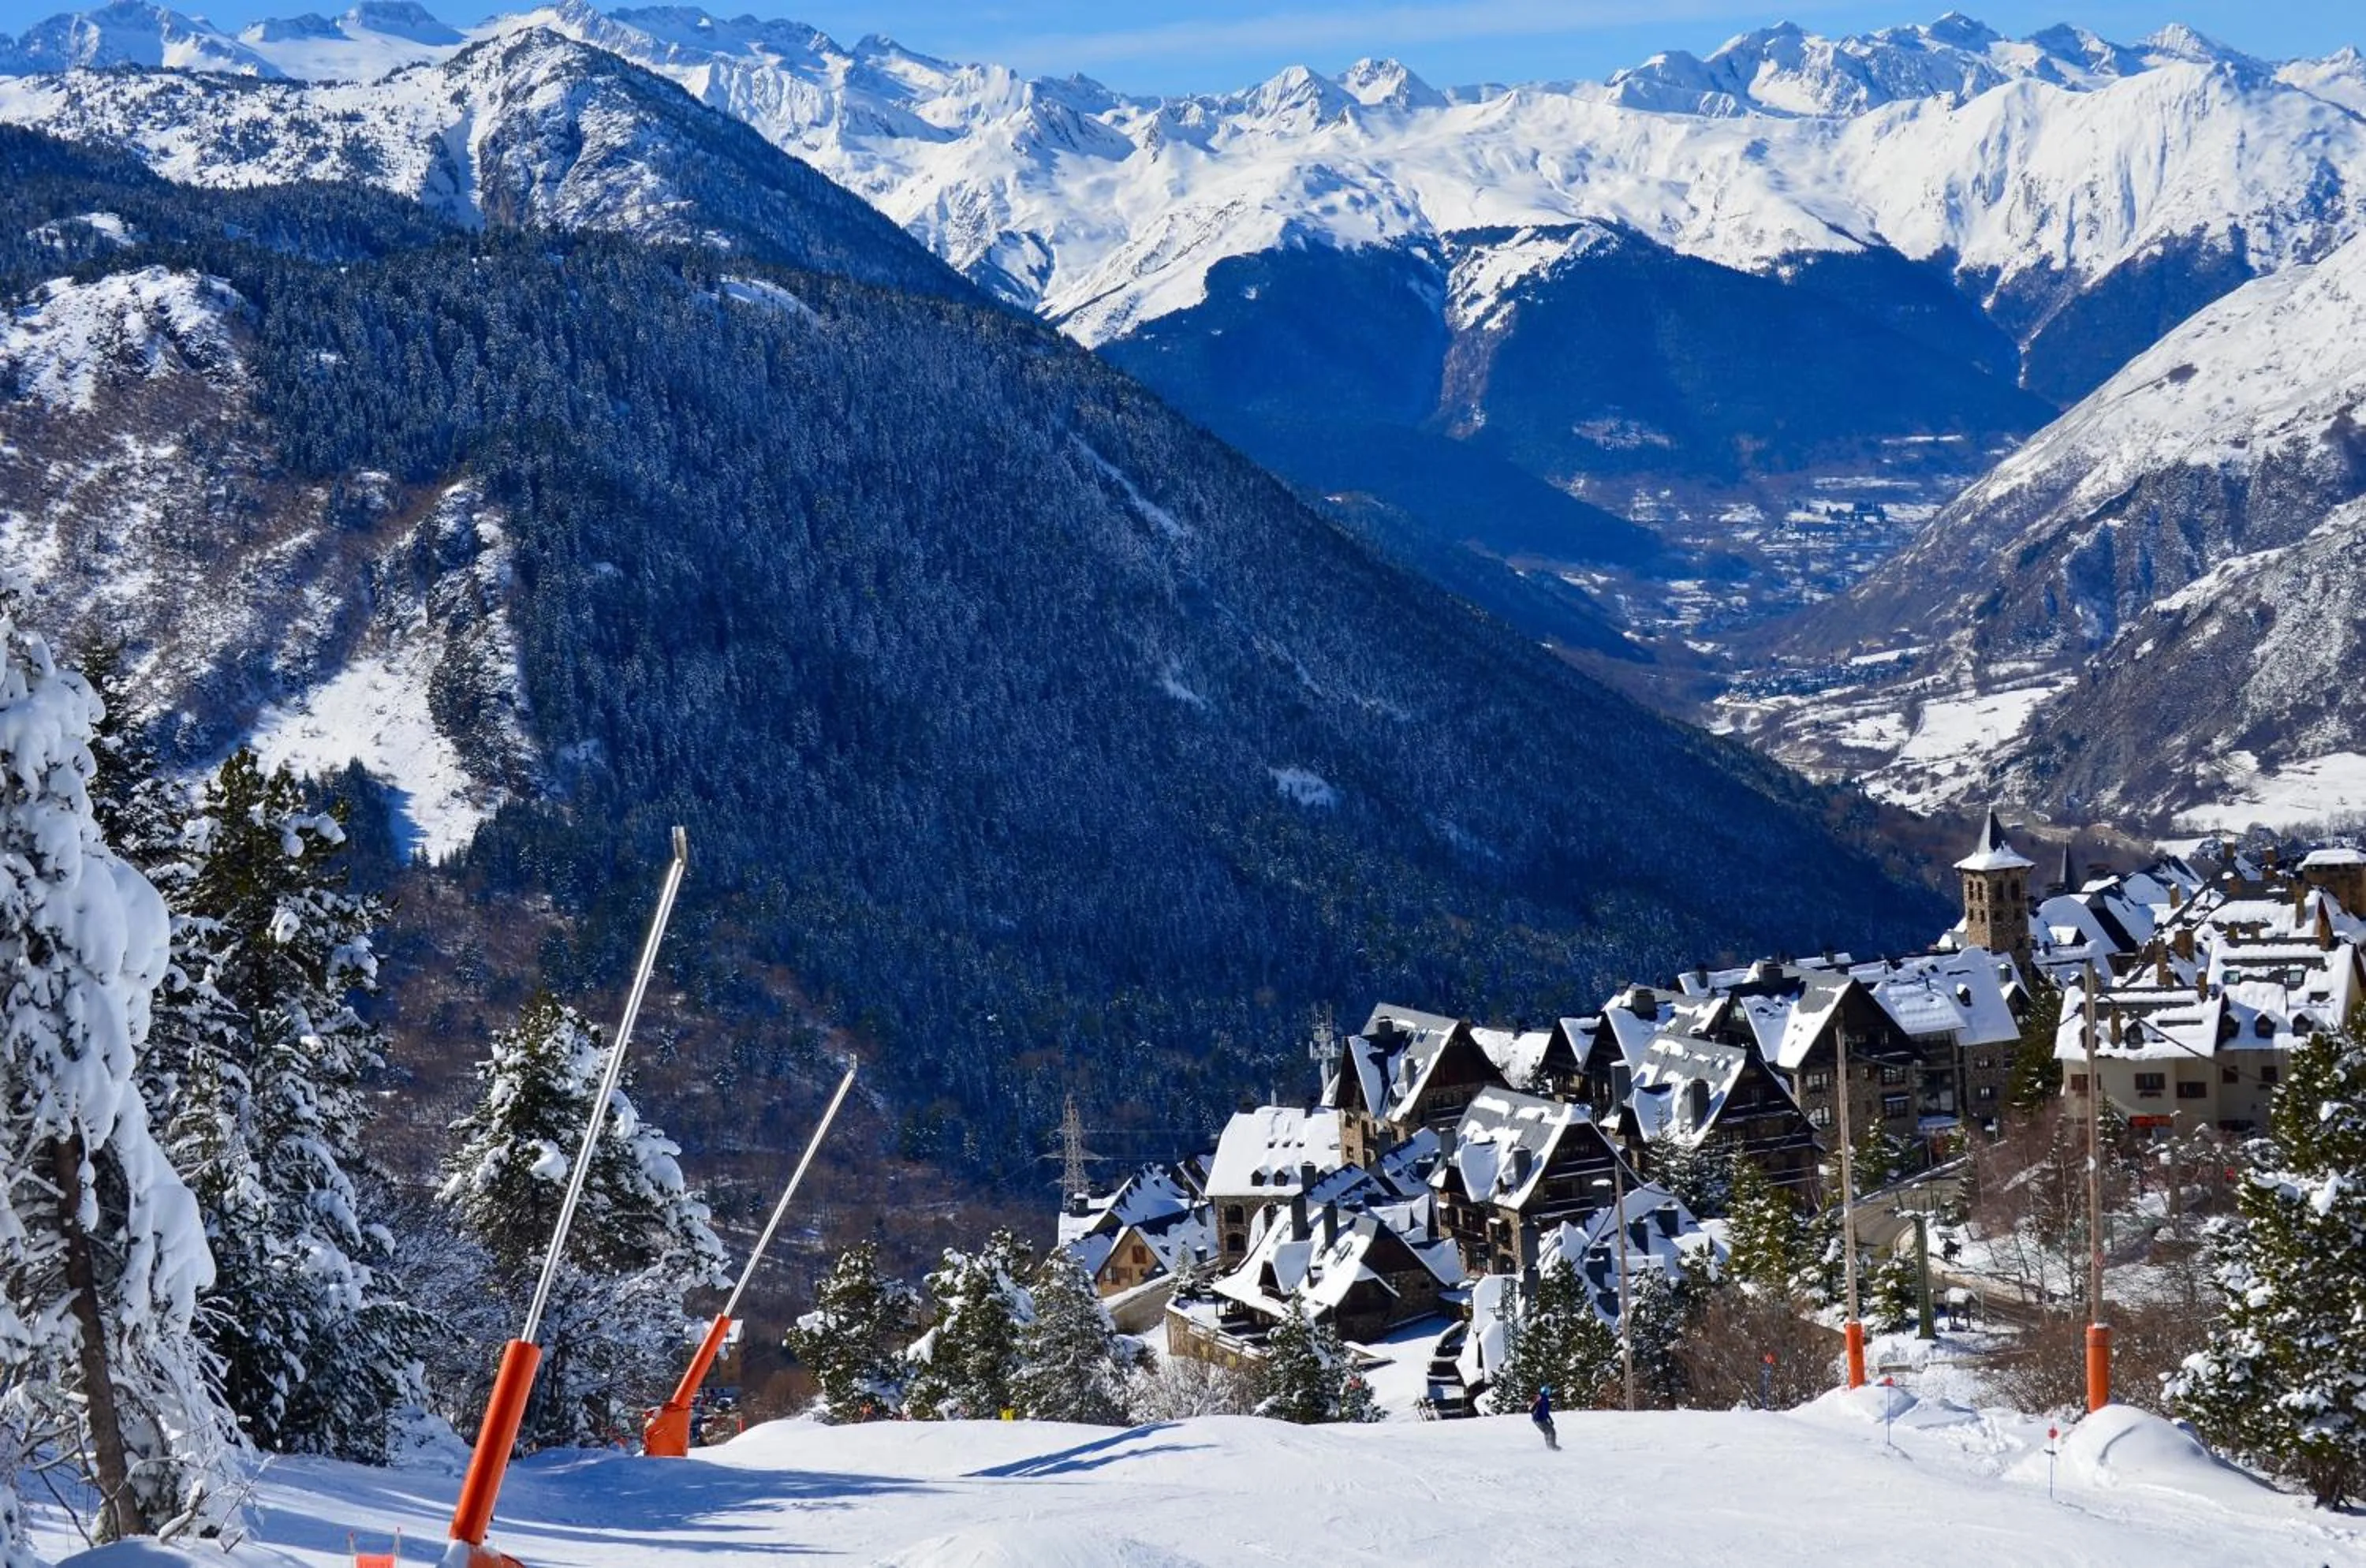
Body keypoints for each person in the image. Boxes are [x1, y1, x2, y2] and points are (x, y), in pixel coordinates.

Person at [1529, 1384, 1557, 1450]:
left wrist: (1550, 1419)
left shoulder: (1544, 1399)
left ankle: (1551, 1446)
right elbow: (1539, 1410)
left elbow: (1545, 1412)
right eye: (1548, 1391)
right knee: (1550, 1432)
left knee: (1548, 1432)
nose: (1549, 1392)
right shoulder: (1542, 1398)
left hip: (1539, 1419)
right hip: (1539, 1419)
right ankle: (1552, 1447)